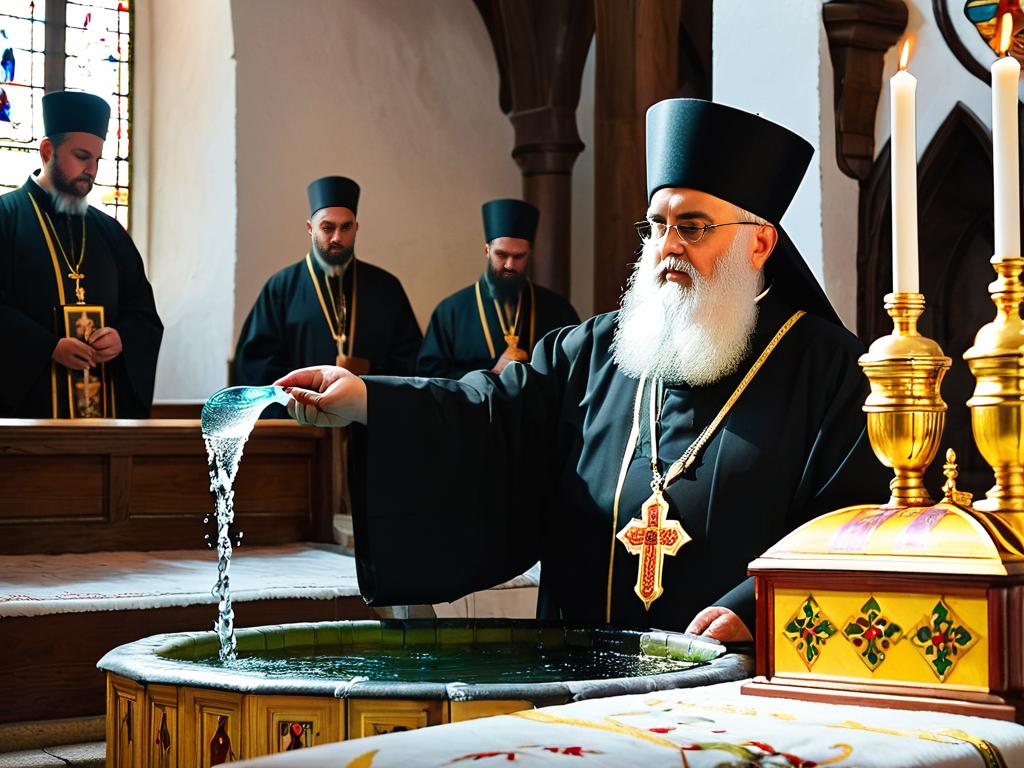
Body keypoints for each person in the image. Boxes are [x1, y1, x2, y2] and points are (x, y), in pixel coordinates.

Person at [275, 99, 888, 642]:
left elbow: (852, 519)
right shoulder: (597, 350)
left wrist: (756, 607)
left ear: (759, 244)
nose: (668, 245)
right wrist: (367, 400)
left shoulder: (826, 370)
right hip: (578, 670)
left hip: (724, 685)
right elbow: (491, 410)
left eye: (693, 227)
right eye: (658, 225)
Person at [0, 90, 163, 418]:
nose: (91, 169)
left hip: (103, 419)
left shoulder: (109, 232)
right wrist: (47, 348)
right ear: (47, 151)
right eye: (81, 156)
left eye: (97, 159)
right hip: (26, 427)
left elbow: (143, 312)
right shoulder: (6, 218)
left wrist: (123, 339)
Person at [233, 175, 422, 393]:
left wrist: (369, 375)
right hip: (302, 419)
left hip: (370, 418)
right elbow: (256, 365)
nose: (337, 238)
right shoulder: (281, 289)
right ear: (310, 228)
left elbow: (411, 360)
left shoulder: (387, 288)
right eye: (327, 227)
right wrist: (305, 392)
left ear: (356, 228)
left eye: (346, 227)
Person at [417, 199, 580, 378]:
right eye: (501, 255)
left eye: (519, 256)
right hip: (476, 406)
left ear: (530, 253)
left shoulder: (557, 308)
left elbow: (578, 367)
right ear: (487, 250)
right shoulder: (451, 312)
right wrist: (491, 373)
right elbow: (429, 375)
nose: (510, 265)